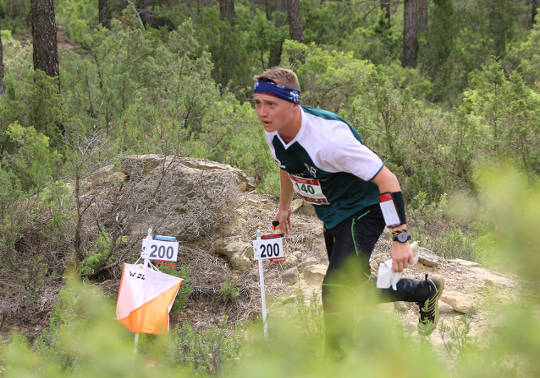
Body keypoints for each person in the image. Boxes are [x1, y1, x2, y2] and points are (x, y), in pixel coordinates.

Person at [252, 67, 444, 344]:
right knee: (356, 287)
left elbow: (388, 180)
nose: (262, 112)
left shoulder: (329, 140)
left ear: (294, 103)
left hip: (364, 209)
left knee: (335, 290)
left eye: (271, 104)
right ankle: (424, 292)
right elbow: (287, 165)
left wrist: (400, 238)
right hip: (334, 213)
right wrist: (284, 207)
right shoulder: (274, 131)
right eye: (257, 103)